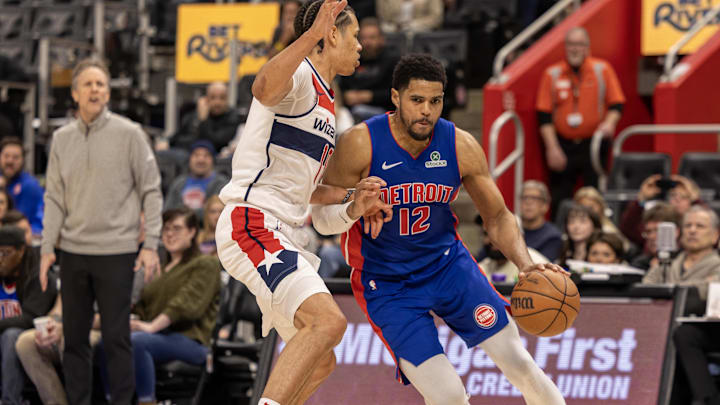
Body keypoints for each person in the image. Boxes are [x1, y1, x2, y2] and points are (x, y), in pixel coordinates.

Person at [318, 53, 566, 405]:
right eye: (417, 100)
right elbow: (321, 218)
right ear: (395, 97)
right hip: (388, 285)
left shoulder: (459, 144)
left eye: (435, 101)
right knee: (449, 396)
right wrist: (353, 207)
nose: (426, 111)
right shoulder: (360, 143)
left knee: (520, 363)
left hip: (448, 267)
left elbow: (497, 216)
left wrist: (526, 265)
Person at [214, 2, 386, 405]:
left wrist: (352, 197)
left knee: (322, 361)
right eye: (354, 35)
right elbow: (262, 88)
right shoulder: (301, 76)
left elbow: (305, 189)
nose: (360, 45)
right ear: (330, 35)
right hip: (252, 220)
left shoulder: (327, 103)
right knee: (328, 323)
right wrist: (308, 37)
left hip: (283, 231)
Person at [40, 58, 163, 405]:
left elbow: (151, 190)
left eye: (102, 85)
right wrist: (48, 245)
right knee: (74, 339)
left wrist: (150, 243)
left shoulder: (130, 134)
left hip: (117, 251)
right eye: (89, 84)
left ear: (108, 94)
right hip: (74, 252)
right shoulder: (61, 139)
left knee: (116, 338)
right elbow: (54, 198)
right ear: (75, 93)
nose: (96, 90)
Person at [98, 207, 221, 405]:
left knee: (138, 342)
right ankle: (113, 400)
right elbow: (144, 306)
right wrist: (132, 320)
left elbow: (185, 304)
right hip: (157, 336)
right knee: (107, 342)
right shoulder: (160, 269)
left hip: (191, 339)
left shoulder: (206, 264)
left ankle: (147, 401)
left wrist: (151, 326)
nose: (170, 234)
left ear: (192, 231)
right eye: (166, 229)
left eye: (177, 228)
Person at [536, 27, 625, 218]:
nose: (575, 49)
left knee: (594, 195)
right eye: (571, 44)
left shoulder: (602, 70)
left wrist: (609, 123)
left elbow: (617, 104)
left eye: (579, 44)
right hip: (563, 145)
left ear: (587, 47)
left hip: (594, 144)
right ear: (565, 47)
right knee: (560, 197)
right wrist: (552, 148)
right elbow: (544, 115)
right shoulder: (552, 74)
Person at [0, 226, 57, 405]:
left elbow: (30, 318)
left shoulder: (39, 275)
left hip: (41, 338)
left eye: (4, 253)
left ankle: (11, 401)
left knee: (12, 335)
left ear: (21, 251)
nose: (0, 259)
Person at [642, 206, 720, 301]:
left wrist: (666, 289)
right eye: (687, 225)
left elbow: (708, 290)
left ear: (716, 235)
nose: (692, 230)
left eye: (700, 226)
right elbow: (645, 287)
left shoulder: (717, 265)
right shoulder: (668, 261)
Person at [338, 17, 400, 121]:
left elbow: (397, 94)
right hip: (350, 110)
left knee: (358, 111)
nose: (367, 42)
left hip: (384, 111)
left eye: (372, 38)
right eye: (364, 38)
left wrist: (369, 96)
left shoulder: (393, 60)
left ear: (381, 39)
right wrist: (345, 96)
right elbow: (341, 87)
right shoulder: (351, 59)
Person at [620, 174, 702, 247]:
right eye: (673, 195)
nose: (677, 200)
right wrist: (641, 199)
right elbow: (627, 229)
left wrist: (695, 200)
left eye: (684, 197)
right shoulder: (659, 221)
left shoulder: (695, 228)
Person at [163, 140, 229, 213]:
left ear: (213, 160)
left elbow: (214, 212)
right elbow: (167, 211)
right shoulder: (178, 183)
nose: (201, 160)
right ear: (189, 160)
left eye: (206, 155)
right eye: (196, 155)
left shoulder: (221, 183)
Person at [0, 137, 44, 234]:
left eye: (15, 157)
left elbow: (22, 223)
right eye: (6, 156)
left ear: (23, 160)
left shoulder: (30, 186)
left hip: (23, 239)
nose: (10, 161)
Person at [518, 180, 563, 262]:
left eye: (534, 198)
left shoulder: (552, 236)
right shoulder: (512, 230)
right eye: (525, 198)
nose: (528, 202)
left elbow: (542, 265)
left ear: (545, 206)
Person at [629, 202, 681, 271]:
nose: (651, 236)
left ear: (675, 232)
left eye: (657, 231)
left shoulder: (687, 263)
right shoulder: (639, 265)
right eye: (648, 232)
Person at [557, 203, 602, 268]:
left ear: (595, 226)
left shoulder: (602, 252)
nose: (576, 226)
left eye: (582, 221)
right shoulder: (562, 250)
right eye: (571, 222)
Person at [376, 0, 444, 33]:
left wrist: (413, 24)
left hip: (423, 32)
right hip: (392, 32)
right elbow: (383, 17)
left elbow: (436, 18)